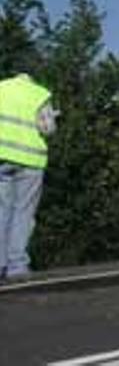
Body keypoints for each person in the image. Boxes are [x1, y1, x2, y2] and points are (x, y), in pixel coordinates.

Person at [0, 72, 56, 282]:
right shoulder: (38, 94)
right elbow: (47, 128)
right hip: (30, 161)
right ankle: (17, 266)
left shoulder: (1, 89)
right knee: (23, 212)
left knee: (2, 211)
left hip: (1, 157)